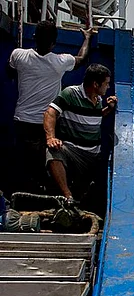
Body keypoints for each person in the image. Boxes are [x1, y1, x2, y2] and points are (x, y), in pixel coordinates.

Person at [7, 20, 94, 193]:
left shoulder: (18, 55)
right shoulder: (60, 62)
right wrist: (87, 38)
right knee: (49, 162)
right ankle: (50, 193)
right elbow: (81, 59)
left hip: (22, 121)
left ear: (34, 37)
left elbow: (10, 71)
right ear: (54, 42)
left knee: (24, 164)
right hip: (49, 125)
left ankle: (24, 196)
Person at [44, 63, 117, 205]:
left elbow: (93, 115)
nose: (108, 87)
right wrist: (51, 138)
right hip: (73, 152)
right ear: (96, 84)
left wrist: (108, 108)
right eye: (106, 84)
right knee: (53, 152)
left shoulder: (98, 99)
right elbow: (50, 113)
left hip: (93, 155)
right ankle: (67, 196)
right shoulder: (70, 93)